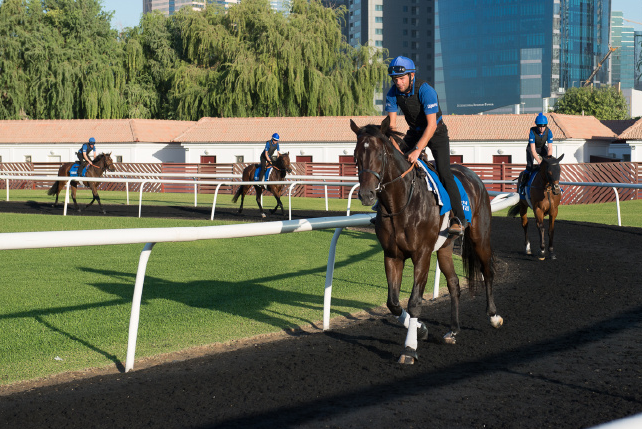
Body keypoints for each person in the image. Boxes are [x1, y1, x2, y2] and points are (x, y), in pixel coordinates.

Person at [384, 56, 466, 236]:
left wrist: (417, 150)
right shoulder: (392, 93)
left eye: (402, 78)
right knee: (393, 163)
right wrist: (396, 149)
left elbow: (432, 126)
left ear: (412, 75)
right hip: (414, 132)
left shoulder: (426, 90)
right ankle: (386, 209)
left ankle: (459, 219)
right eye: (395, 79)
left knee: (444, 173)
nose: (398, 82)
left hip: (436, 133)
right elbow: (392, 127)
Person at [518, 113, 554, 194]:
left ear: (546, 125)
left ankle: (553, 185)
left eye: (544, 126)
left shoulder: (549, 132)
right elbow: (533, 150)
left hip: (542, 148)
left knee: (550, 164)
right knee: (530, 166)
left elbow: (550, 148)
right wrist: (539, 161)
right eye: (540, 126)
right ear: (537, 126)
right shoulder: (532, 132)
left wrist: (548, 160)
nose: (542, 128)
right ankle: (522, 186)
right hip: (532, 148)